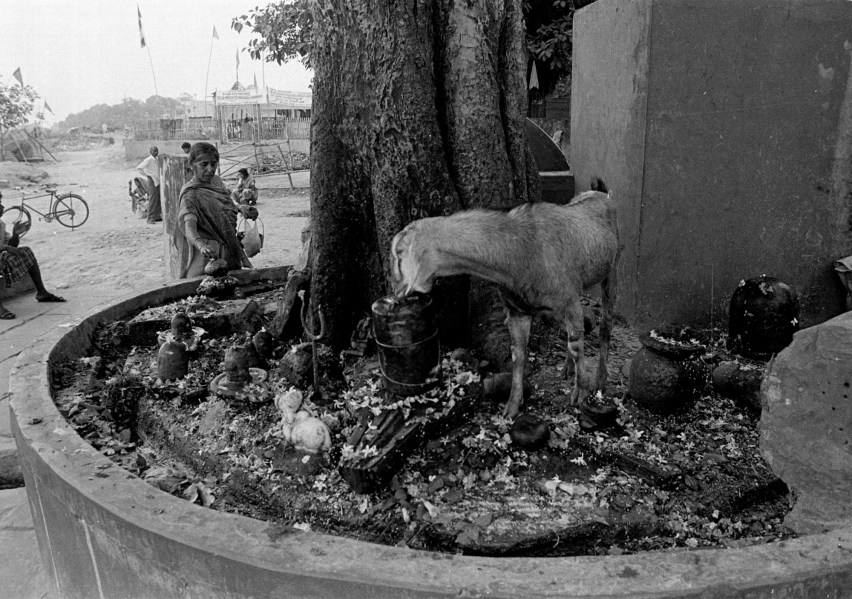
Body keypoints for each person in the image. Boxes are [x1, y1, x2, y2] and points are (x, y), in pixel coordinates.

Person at [177, 142, 258, 278]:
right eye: (204, 165)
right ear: (191, 165)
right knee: (207, 288)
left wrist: (241, 208)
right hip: (208, 254)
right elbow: (189, 226)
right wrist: (201, 245)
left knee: (233, 286)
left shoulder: (217, 182)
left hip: (229, 247)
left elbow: (226, 204)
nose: (210, 169)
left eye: (213, 164)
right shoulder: (191, 193)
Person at [0, 192, 66, 319]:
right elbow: (7, 248)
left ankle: (42, 292)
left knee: (26, 252)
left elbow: (12, 247)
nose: (2, 207)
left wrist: (15, 234)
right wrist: (6, 248)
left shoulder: (1, 225)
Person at [136, 146, 162, 224]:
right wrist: (147, 175)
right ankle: (150, 218)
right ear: (150, 152)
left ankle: (157, 216)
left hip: (157, 180)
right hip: (152, 180)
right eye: (154, 151)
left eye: (157, 151)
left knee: (158, 198)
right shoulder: (149, 159)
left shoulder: (157, 160)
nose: (156, 152)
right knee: (153, 199)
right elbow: (139, 168)